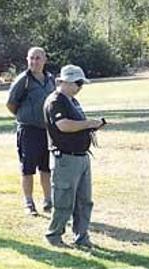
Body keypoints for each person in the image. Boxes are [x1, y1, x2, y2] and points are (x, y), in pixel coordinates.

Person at [43, 64, 105, 248]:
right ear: (67, 82)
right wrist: (89, 124)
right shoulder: (56, 101)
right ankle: (54, 235)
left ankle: (81, 236)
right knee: (64, 200)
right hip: (66, 158)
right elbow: (63, 125)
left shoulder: (72, 100)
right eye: (78, 83)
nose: (80, 87)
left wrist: (91, 125)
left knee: (84, 201)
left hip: (81, 156)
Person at [6, 47, 55, 216]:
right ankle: (29, 202)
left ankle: (48, 200)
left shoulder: (50, 79)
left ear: (45, 60)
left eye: (38, 58)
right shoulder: (23, 80)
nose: (34, 61)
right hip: (28, 131)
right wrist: (25, 115)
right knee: (28, 168)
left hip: (47, 131)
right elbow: (11, 103)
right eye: (31, 58)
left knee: (47, 168)